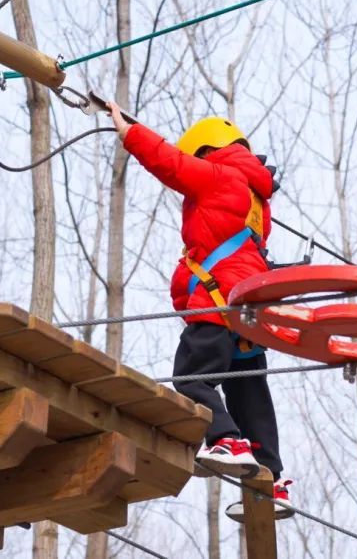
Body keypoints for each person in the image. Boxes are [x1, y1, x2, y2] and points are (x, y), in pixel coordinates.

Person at [107, 102, 293, 521]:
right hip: (249, 310)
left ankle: (225, 440)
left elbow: (168, 163)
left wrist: (128, 132)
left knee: (191, 378)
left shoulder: (217, 175)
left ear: (206, 150)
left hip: (217, 302)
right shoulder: (257, 199)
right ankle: (272, 479)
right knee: (250, 393)